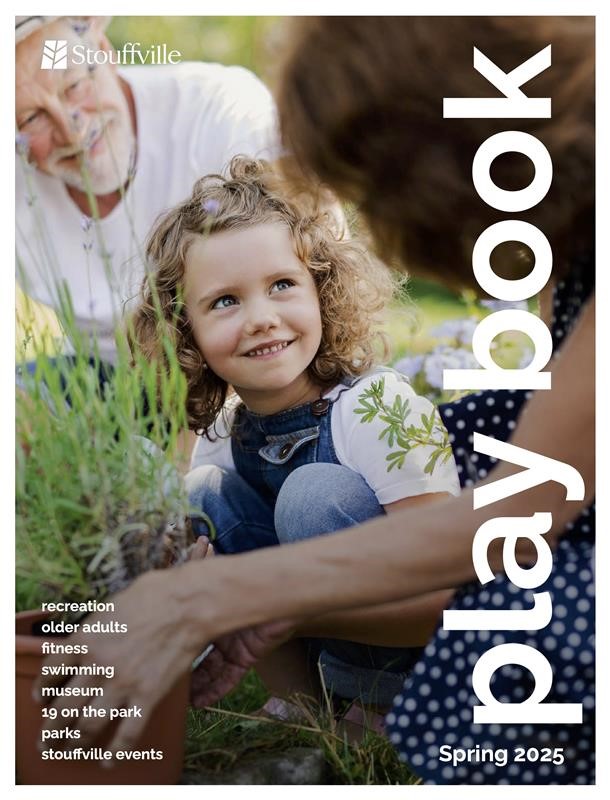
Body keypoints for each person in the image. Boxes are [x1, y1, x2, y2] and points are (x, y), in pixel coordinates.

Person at [38, 17, 595, 785]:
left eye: (373, 186)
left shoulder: (372, 404)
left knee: (339, 496)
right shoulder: (571, 246)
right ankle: (312, 708)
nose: (384, 230)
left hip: (481, 565)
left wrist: (218, 599)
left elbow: (516, 519)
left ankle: (413, 701)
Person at [130, 156, 460, 720]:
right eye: (225, 301)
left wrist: (263, 601)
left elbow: (445, 598)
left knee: (312, 490)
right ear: (188, 333)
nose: (260, 317)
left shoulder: (380, 410)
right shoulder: (230, 426)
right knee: (204, 495)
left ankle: (377, 710)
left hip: (428, 655)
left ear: (322, 291)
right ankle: (303, 704)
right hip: (310, 612)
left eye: (282, 284)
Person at [16, 16, 277, 365]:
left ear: (104, 50)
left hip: (243, 366)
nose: (73, 132)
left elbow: (309, 280)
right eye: (32, 119)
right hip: (109, 378)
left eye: (74, 85)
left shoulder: (219, 110)